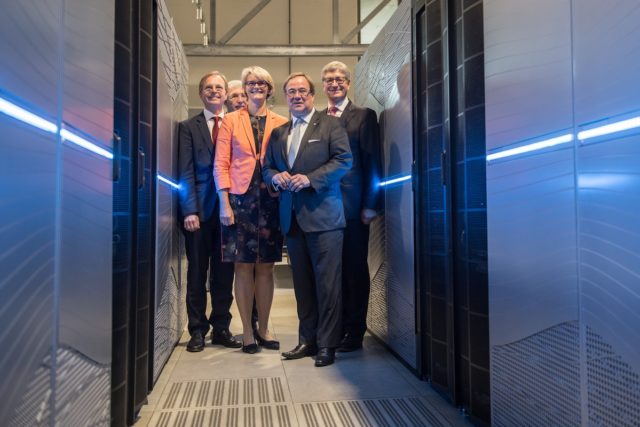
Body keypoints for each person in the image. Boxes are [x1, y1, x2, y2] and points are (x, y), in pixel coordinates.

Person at [263, 72, 352, 367]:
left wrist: (310, 179)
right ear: (285, 97)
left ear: (312, 95)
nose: (297, 96)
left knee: (327, 286)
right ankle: (308, 340)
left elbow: (343, 161)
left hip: (325, 219)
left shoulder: (331, 125)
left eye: (302, 91)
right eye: (291, 92)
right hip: (292, 219)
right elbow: (266, 168)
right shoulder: (279, 133)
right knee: (302, 285)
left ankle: (328, 345)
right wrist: (276, 177)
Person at [214, 66, 288, 354]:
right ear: (244, 88)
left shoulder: (282, 122)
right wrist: (224, 202)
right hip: (239, 202)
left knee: (267, 266)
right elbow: (220, 164)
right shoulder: (231, 120)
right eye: (250, 82)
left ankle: (264, 327)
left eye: (261, 82)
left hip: (271, 200)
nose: (255, 86)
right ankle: (246, 332)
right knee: (242, 267)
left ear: (269, 88)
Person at [320, 61, 382, 352]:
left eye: (339, 79)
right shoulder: (317, 119)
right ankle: (338, 328)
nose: (334, 83)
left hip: (355, 209)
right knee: (333, 272)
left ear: (348, 83)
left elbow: (374, 164)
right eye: (329, 79)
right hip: (324, 210)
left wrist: (371, 204)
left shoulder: (364, 117)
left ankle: (355, 332)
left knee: (355, 270)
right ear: (323, 85)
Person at [178, 71, 241, 352]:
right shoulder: (188, 127)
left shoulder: (237, 124)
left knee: (224, 273)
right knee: (196, 273)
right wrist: (189, 209)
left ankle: (222, 328)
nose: (214, 91)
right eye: (208, 88)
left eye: (219, 87)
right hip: (200, 214)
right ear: (201, 93)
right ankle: (197, 330)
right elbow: (185, 172)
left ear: (226, 93)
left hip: (231, 213)